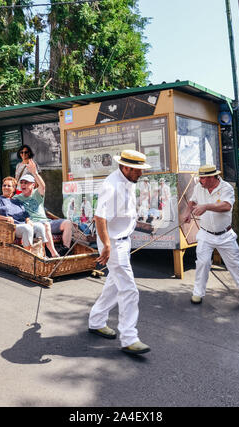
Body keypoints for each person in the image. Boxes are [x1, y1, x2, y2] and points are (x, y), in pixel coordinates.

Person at [88, 149, 152, 355]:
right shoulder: (111, 186)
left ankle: (96, 321)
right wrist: (106, 245)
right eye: (137, 170)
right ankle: (129, 338)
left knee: (115, 285)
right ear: (125, 167)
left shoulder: (127, 181)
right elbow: (100, 217)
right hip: (113, 244)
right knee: (130, 290)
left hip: (122, 240)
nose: (140, 174)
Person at [184, 164, 239, 311]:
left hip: (225, 235)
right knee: (203, 262)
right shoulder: (199, 187)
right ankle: (198, 293)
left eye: (204, 178)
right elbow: (192, 201)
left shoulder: (226, 188)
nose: (201, 180)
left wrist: (206, 206)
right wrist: (187, 213)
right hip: (205, 233)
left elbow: (226, 206)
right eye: (200, 177)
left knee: (235, 265)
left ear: (213, 177)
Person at [14, 159, 72, 258]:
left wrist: (35, 173)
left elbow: (43, 186)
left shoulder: (37, 193)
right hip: (35, 225)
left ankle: (65, 250)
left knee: (68, 223)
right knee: (45, 225)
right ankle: (54, 254)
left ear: (33, 185)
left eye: (26, 183)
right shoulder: (17, 198)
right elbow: (4, 200)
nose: (23, 184)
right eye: (22, 182)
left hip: (47, 221)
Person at [0, 176, 47, 253]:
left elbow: (25, 215)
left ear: (14, 189)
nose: (6, 187)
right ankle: (29, 256)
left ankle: (42, 253)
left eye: (9, 186)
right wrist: (5, 218)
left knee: (40, 226)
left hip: (22, 225)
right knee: (27, 228)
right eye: (4, 185)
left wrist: (28, 220)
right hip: (10, 227)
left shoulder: (17, 201)